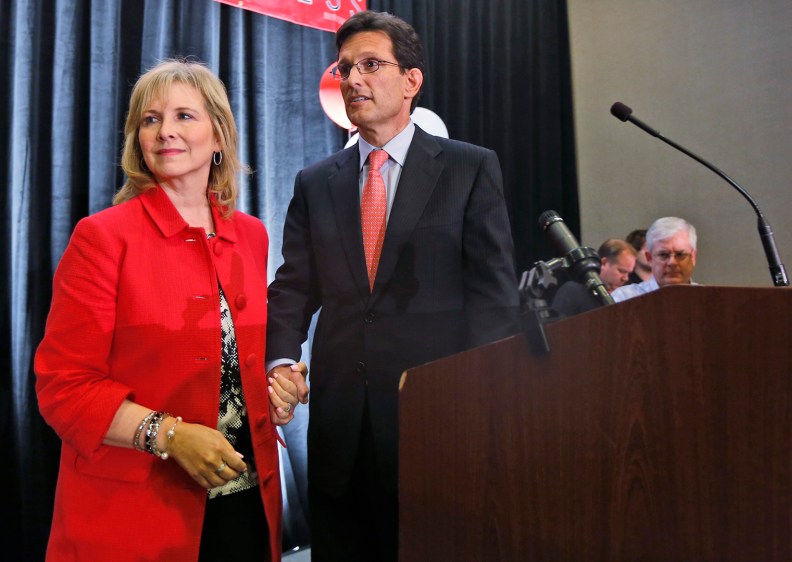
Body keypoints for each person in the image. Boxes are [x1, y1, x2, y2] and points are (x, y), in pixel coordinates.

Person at [265, 11, 519, 562]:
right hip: (339, 433)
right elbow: (292, 289)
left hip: (438, 425)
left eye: (371, 65)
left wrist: (488, 407)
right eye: (345, 68)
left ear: (411, 80)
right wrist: (280, 361)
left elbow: (495, 300)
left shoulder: (468, 168)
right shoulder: (315, 183)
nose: (353, 79)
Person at [33, 59, 306, 562]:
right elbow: (64, 387)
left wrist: (274, 391)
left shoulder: (251, 234)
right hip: (134, 512)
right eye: (150, 119)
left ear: (219, 135)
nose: (164, 131)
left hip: (245, 502)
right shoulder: (102, 237)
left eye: (184, 116)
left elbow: (230, 365)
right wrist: (170, 436)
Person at [612, 217, 698, 302]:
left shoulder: (708, 299)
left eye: (680, 255)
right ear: (649, 258)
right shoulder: (624, 299)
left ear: (693, 257)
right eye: (663, 255)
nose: (672, 262)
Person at [550, 238, 636, 317]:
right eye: (622, 271)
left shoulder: (629, 295)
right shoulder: (573, 291)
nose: (626, 278)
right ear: (604, 262)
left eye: (628, 273)